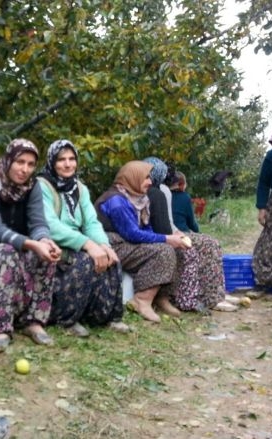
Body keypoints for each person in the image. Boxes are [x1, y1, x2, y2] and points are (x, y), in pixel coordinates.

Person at [0, 138, 61, 353]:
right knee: (7, 251)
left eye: (30, 164)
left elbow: (37, 223)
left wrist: (44, 240)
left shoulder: (33, 187)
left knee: (47, 253)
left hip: (20, 248)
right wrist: (31, 244)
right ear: (9, 160)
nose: (24, 169)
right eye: (20, 162)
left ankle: (33, 321)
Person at [36, 139, 130, 336]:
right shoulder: (41, 186)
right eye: (61, 159)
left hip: (77, 242)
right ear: (52, 162)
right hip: (51, 243)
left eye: (72, 159)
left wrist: (103, 244)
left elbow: (91, 223)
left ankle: (104, 317)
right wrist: (87, 244)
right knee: (85, 261)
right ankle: (66, 320)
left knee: (111, 258)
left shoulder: (80, 188)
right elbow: (50, 225)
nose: (68, 164)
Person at [94, 161, 184, 323]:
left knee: (174, 249)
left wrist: (166, 240)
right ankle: (142, 299)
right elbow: (132, 234)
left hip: (127, 243)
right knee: (164, 251)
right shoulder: (116, 201)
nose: (150, 182)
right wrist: (166, 239)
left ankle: (160, 297)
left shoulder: (137, 199)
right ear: (132, 178)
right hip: (111, 246)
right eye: (145, 178)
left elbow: (145, 229)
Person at [143, 157, 237, 313]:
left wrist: (178, 232)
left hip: (171, 231)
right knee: (194, 249)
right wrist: (174, 235)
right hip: (158, 236)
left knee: (211, 243)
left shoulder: (163, 191)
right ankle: (191, 298)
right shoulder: (145, 191)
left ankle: (214, 295)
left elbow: (169, 221)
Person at [252, 128, 272, 291]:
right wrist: (262, 207)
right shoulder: (271, 157)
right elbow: (263, 183)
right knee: (269, 242)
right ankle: (265, 281)